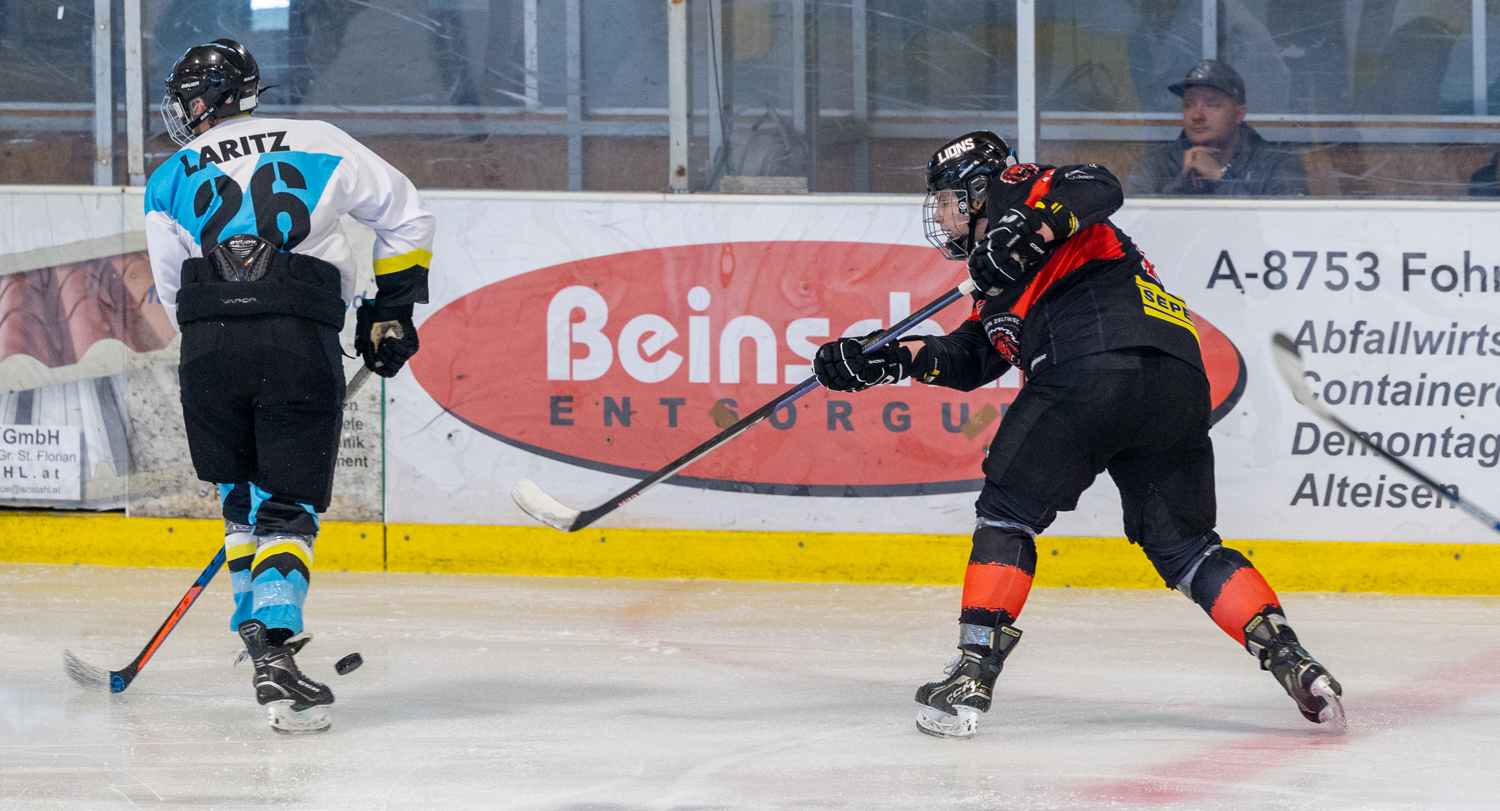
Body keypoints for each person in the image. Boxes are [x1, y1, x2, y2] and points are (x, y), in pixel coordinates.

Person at [812, 131, 1341, 739]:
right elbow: (970, 358)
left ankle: (971, 675)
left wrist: (1026, 229)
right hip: (1174, 379)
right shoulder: (995, 284)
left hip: (1088, 364)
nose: (940, 215)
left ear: (977, 191)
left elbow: (1097, 185)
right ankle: (1293, 659)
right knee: (1188, 549)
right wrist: (884, 358)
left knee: (1007, 515)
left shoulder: (1018, 192)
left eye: (947, 200)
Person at [144, 39, 434, 733]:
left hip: (208, 346)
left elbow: (172, 287)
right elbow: (407, 216)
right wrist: (389, 312)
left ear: (215, 98)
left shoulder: (169, 175)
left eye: (190, 96)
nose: (183, 110)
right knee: (287, 506)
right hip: (297, 339)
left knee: (241, 499)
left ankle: (259, 643)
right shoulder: (320, 140)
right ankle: (275, 648)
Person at [1125, 60, 1308, 196]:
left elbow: (1286, 227)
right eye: (1189, 104)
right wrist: (1181, 184)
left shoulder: (1277, 162)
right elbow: (1137, 226)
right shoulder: (1156, 164)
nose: (1197, 115)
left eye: (1211, 104)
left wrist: (1220, 179)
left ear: (1239, 114)